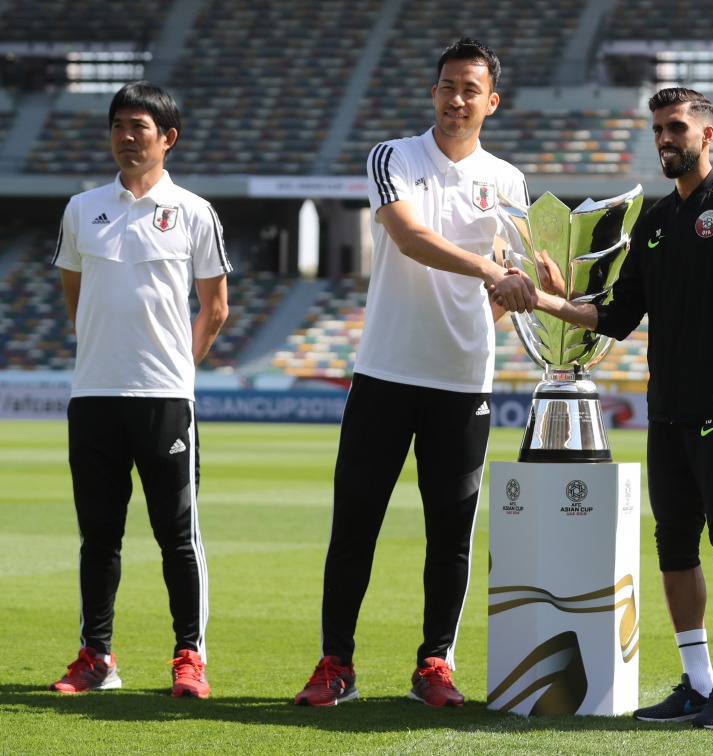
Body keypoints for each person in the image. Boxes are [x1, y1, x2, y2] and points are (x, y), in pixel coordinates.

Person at [500, 87, 713, 730]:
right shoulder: (654, 223)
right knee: (674, 546)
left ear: (707, 135)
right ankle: (695, 682)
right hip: (667, 413)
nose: (666, 138)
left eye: (677, 128)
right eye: (659, 129)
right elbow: (615, 316)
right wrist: (549, 301)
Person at [293, 37, 534, 708]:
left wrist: (532, 286)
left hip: (464, 381)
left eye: (470, 89)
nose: (457, 99)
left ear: (491, 101)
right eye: (447, 86)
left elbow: (515, 281)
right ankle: (334, 664)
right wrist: (492, 270)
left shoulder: (509, 182)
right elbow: (409, 237)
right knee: (356, 526)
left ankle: (435, 664)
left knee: (451, 535)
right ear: (434, 93)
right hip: (386, 372)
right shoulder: (393, 156)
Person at [49, 81, 231, 698]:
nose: (127, 137)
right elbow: (74, 294)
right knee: (98, 536)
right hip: (94, 396)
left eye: (140, 128)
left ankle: (189, 657)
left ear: (167, 139)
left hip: (164, 400)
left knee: (178, 538)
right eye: (119, 126)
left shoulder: (195, 211)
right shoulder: (81, 208)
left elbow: (215, 307)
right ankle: (96, 657)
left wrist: (179, 369)